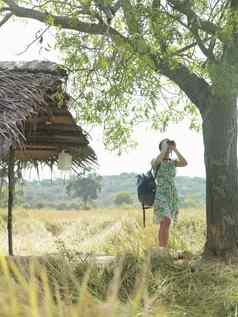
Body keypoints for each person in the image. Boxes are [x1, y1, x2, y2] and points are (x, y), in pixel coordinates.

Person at [151, 139, 187, 252]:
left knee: (167, 222)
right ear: (161, 148)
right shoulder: (155, 161)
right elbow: (157, 161)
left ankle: (164, 249)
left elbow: (185, 162)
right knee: (165, 220)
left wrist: (175, 149)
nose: (167, 147)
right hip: (161, 192)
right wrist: (165, 148)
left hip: (172, 194)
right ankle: (162, 248)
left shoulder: (173, 162)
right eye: (165, 144)